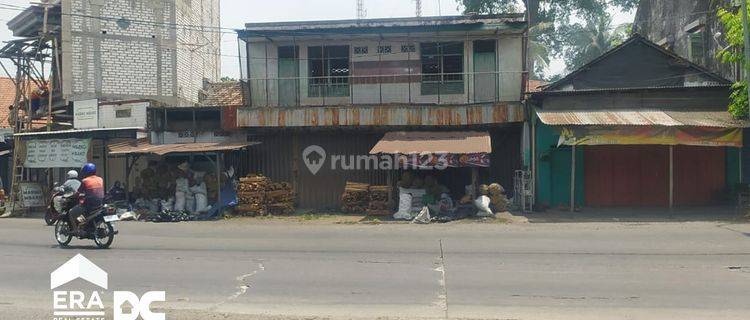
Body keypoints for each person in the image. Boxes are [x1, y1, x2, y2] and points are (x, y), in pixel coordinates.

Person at [69, 163, 105, 228]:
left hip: (89, 204)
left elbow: (78, 193)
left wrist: (72, 196)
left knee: (71, 213)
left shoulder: (85, 181)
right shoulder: (100, 179)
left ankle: (76, 230)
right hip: (100, 203)